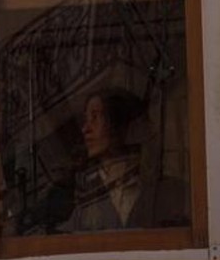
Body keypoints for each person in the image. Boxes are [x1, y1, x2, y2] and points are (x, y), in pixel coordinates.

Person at [60, 90, 180, 232]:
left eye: (95, 117)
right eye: (86, 119)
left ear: (121, 126)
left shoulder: (169, 191)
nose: (85, 129)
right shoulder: (85, 197)